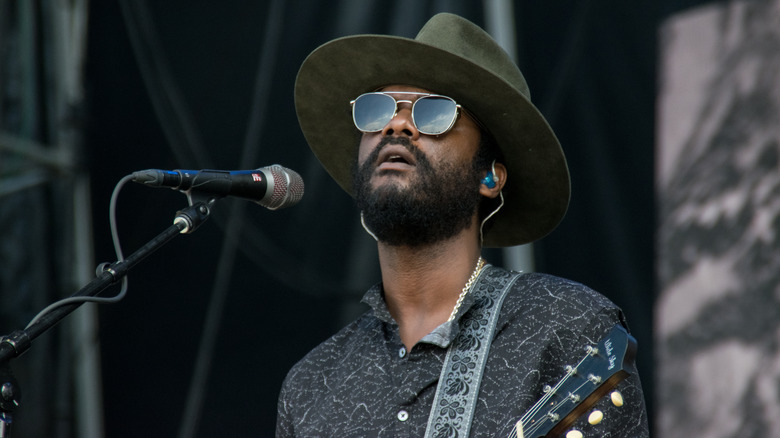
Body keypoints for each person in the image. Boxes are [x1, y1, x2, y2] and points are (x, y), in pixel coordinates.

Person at [277, 12, 649, 437]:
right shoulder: (310, 384)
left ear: (489, 177)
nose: (397, 124)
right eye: (377, 108)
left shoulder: (567, 328)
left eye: (434, 113)